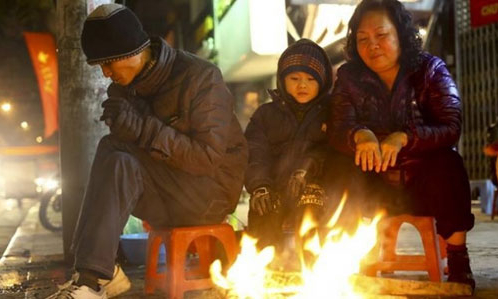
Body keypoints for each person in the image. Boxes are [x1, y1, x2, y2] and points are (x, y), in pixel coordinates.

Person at [47, 4, 247, 299]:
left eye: (108, 64)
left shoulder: (200, 77)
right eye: (100, 66)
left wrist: (142, 130)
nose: (105, 73)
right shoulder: (123, 87)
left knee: (112, 148)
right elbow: (125, 160)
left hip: (210, 194)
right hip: (166, 193)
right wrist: (124, 127)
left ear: (131, 52)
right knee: (115, 151)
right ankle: (91, 277)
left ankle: (94, 278)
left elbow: (207, 158)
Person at [328, 0, 475, 289]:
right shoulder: (349, 77)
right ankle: (359, 257)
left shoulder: (430, 70)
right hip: (375, 184)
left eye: (381, 35)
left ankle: (458, 258)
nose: (373, 46)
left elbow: (450, 127)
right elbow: (337, 127)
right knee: (335, 164)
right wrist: (360, 135)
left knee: (450, 163)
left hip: (424, 183)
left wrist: (406, 137)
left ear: (401, 34)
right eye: (363, 39)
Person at [244, 39, 333, 257]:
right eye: (294, 78)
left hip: (315, 188)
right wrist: (260, 186)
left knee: (312, 209)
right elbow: (254, 154)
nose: (302, 85)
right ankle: (266, 269)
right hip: (274, 188)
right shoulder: (265, 115)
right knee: (264, 210)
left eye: (311, 79)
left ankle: (314, 267)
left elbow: (332, 153)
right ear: (282, 80)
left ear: (322, 82)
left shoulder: (332, 113)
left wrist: (308, 171)